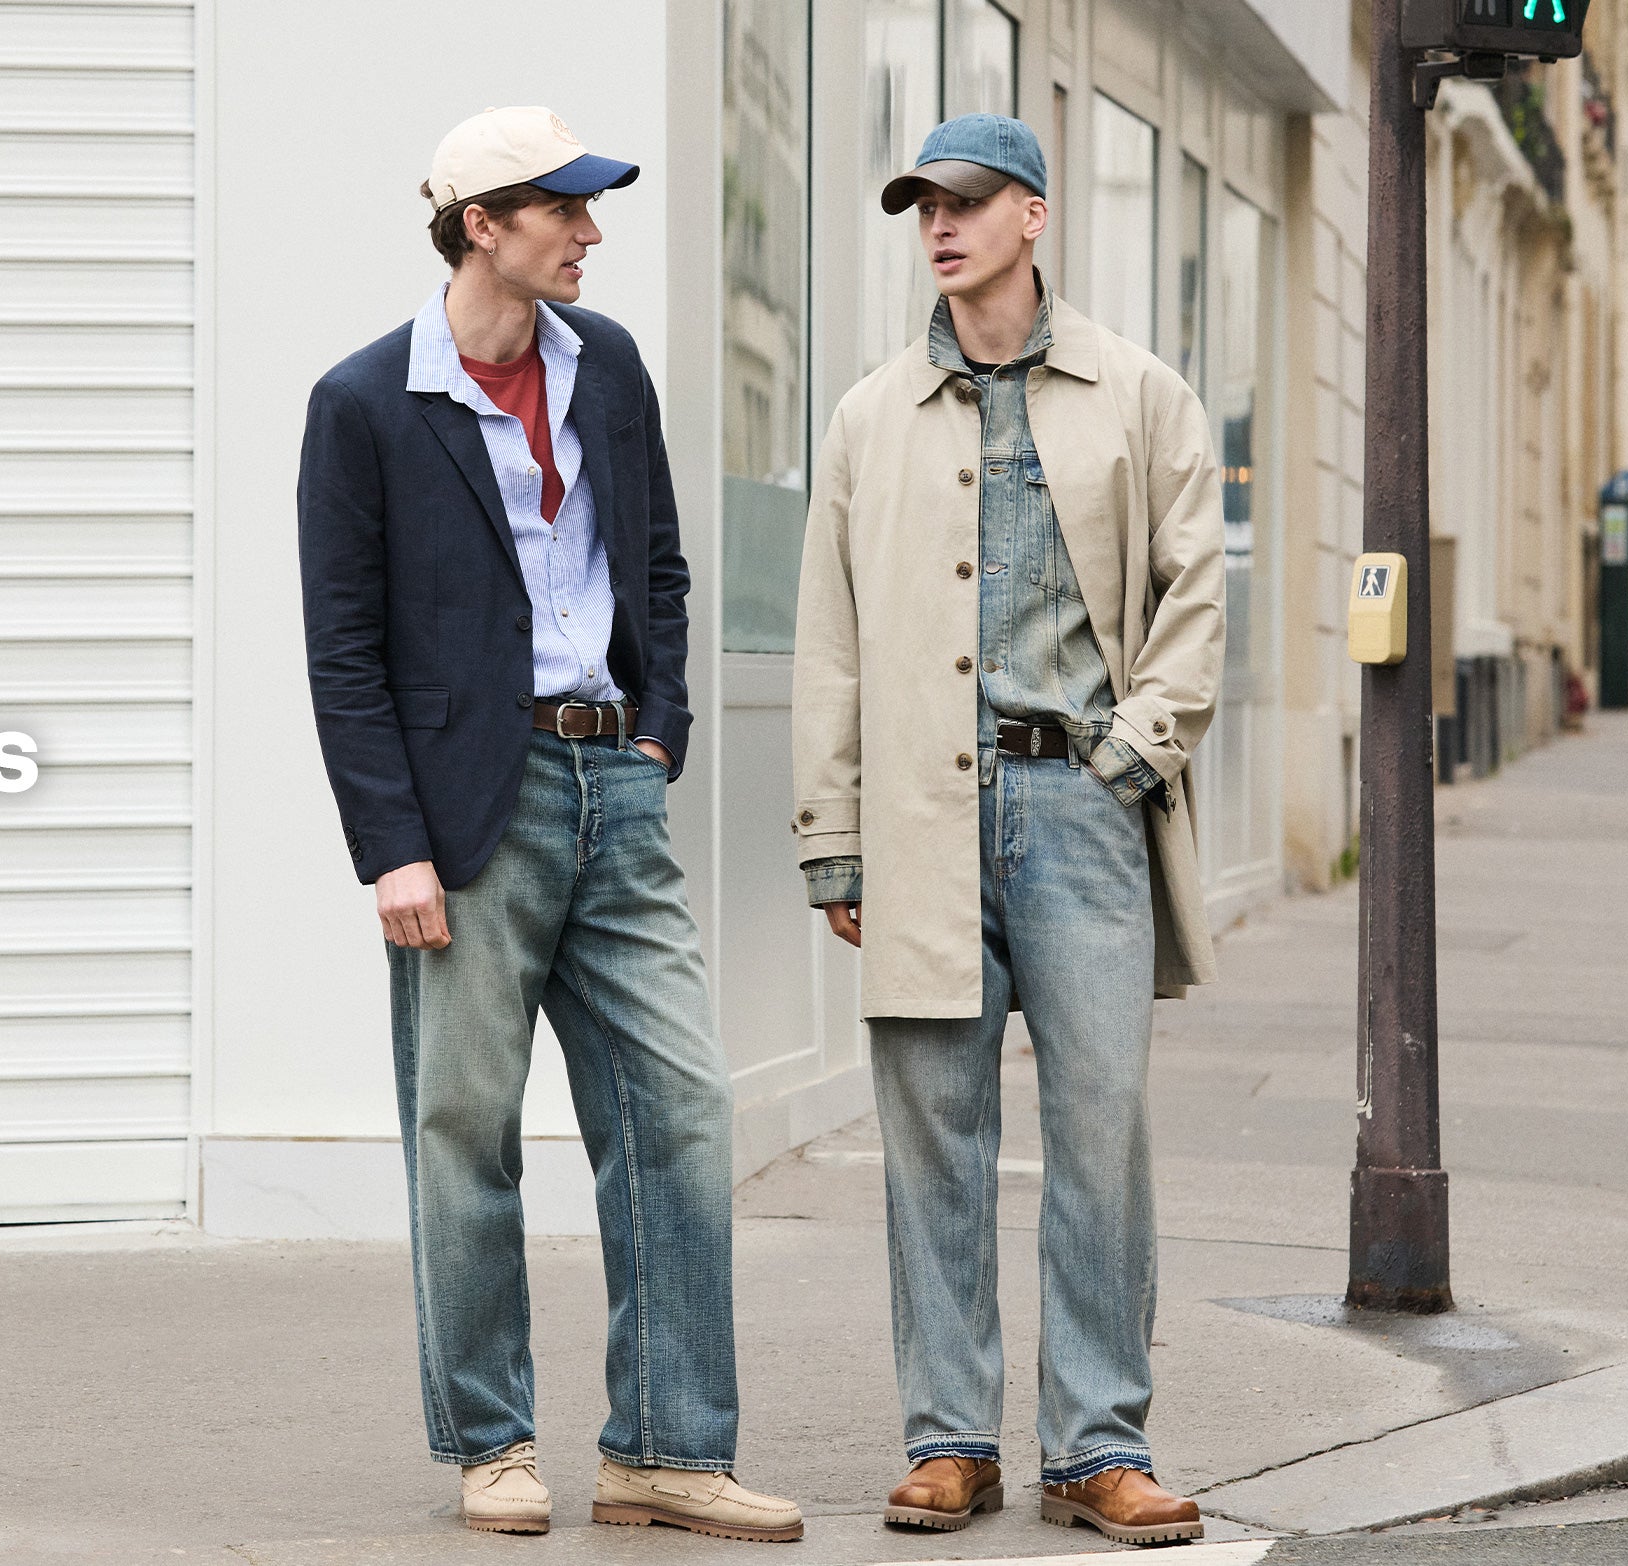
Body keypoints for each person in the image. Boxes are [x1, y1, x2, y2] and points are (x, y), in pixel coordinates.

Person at [296, 106, 803, 1544]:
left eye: (589, 210)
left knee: (678, 1112)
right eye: (561, 210)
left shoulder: (607, 365)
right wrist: (389, 845)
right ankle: (491, 1442)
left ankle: (664, 1449)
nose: (588, 234)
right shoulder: (363, 403)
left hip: (612, 785)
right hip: (468, 808)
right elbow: (342, 648)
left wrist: (659, 732)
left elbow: (658, 564)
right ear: (481, 227)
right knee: (465, 1130)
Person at [788, 112, 1221, 1547]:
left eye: (967, 201)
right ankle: (949, 1442)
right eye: (923, 205)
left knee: (1098, 1137)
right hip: (919, 817)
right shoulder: (868, 417)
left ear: (1032, 215)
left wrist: (1126, 756)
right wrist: (832, 833)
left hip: (1077, 806)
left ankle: (1097, 1447)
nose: (940, 225)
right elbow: (829, 638)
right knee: (934, 1142)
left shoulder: (1139, 395)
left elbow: (1192, 598)